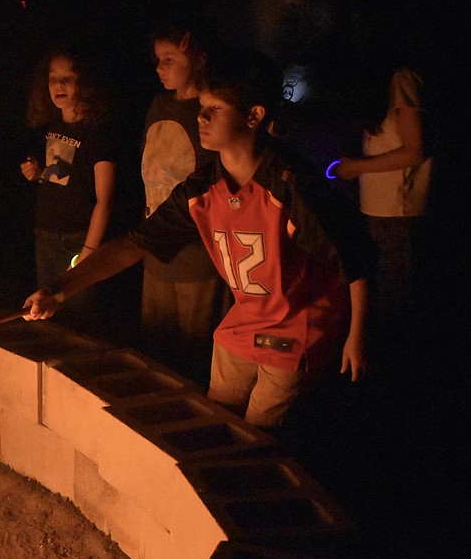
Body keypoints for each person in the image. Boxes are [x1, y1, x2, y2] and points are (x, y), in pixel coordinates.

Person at [24, 49, 374, 429]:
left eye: (215, 109)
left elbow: (354, 255)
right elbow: (133, 245)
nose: (201, 117)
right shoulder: (202, 187)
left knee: (258, 433)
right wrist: (60, 289)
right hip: (241, 324)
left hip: (294, 328)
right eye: (202, 107)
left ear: (254, 116)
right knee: (216, 423)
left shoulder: (290, 185)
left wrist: (357, 335)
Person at [138, 21, 229, 383]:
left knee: (192, 353)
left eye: (169, 58)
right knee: (154, 350)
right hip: (156, 247)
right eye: (157, 59)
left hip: (196, 252)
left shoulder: (208, 113)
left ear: (198, 60)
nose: (160, 67)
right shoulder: (159, 104)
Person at [20, 46, 117, 335]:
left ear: (84, 83)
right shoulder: (53, 126)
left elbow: (104, 201)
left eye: (68, 77)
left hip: (76, 240)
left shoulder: (98, 133)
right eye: (53, 78)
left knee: (80, 325)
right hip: (46, 235)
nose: (59, 85)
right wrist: (39, 175)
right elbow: (61, 179)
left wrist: (88, 253)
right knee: (47, 318)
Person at [334, 64, 431, 340]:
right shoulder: (387, 84)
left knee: (397, 303)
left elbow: (415, 150)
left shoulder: (403, 78)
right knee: (385, 297)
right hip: (380, 211)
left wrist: (358, 167)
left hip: (398, 212)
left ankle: (401, 367)